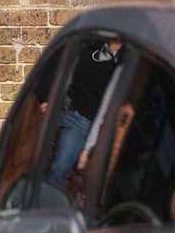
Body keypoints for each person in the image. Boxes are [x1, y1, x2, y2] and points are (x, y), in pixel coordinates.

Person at [45, 40, 123, 188]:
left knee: (59, 166)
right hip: (60, 109)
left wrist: (87, 149)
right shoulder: (86, 50)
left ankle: (47, 206)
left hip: (80, 123)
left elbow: (103, 111)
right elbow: (66, 81)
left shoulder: (119, 70)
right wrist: (50, 100)